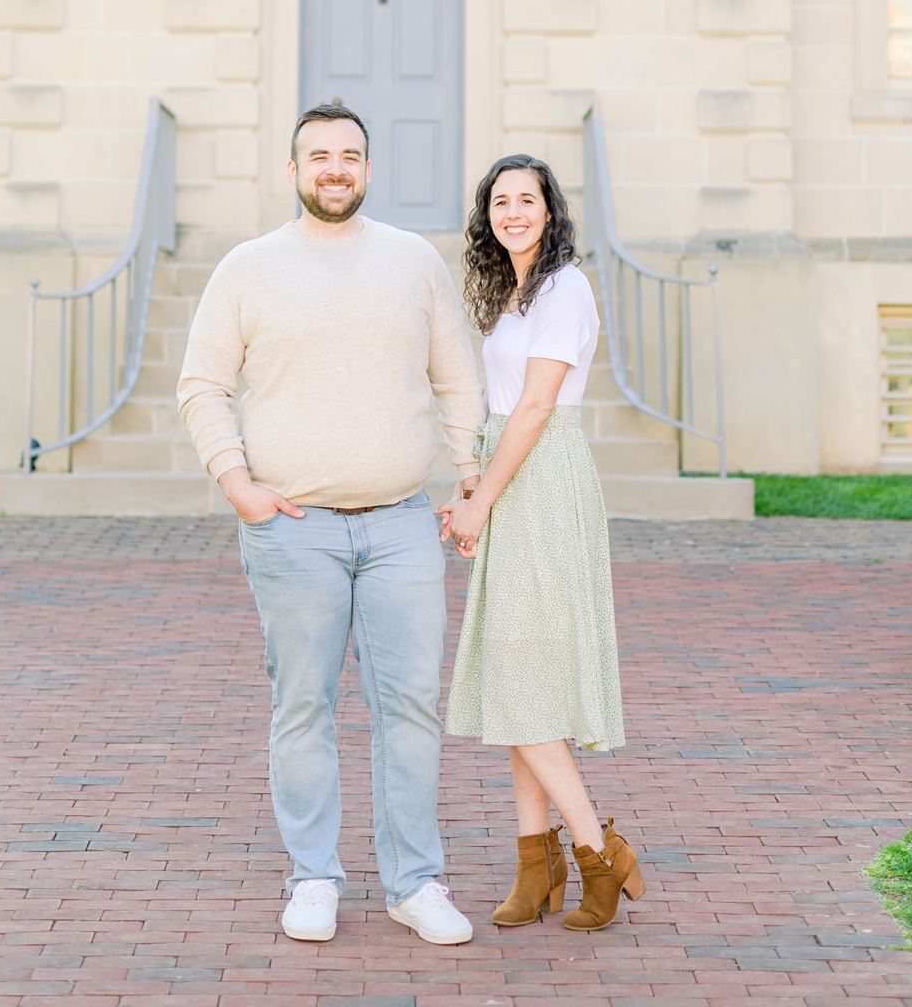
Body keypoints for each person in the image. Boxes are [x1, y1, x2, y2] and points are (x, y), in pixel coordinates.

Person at [177, 101, 487, 948]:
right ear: (294, 171)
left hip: (401, 528)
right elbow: (202, 382)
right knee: (304, 706)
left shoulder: (413, 262)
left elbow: (458, 378)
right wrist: (235, 482)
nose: (335, 168)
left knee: (411, 706)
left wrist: (470, 476)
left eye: (350, 154)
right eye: (319, 155)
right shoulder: (248, 268)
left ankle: (415, 883)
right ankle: (313, 876)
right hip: (293, 528)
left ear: (369, 170)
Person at [439, 154, 646, 932]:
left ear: (551, 213)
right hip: (510, 472)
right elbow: (501, 410)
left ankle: (599, 854)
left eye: (527, 200)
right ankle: (536, 865)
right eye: (500, 201)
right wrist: (474, 488)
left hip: (544, 480)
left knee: (527, 678)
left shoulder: (565, 288)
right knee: (516, 676)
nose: (512, 212)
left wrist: (480, 502)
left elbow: (534, 410)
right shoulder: (514, 290)